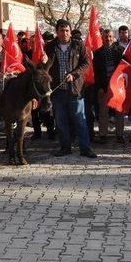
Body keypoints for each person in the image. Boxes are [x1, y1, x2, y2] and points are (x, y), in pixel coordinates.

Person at [44, 19, 97, 158]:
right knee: (61, 121)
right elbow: (44, 66)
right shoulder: (49, 47)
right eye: (62, 30)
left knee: (80, 120)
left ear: (70, 31)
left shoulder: (79, 45)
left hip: (75, 90)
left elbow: (86, 64)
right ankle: (65, 147)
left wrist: (74, 75)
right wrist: (43, 61)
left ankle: (85, 148)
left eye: (67, 30)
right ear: (57, 32)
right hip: (57, 90)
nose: (65, 33)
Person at [93, 29, 125, 143]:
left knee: (119, 112)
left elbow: (125, 69)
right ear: (102, 38)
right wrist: (99, 88)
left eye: (110, 37)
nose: (108, 39)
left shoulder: (121, 51)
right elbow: (96, 73)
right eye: (106, 37)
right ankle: (103, 135)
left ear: (114, 37)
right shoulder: (97, 53)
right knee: (103, 112)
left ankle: (120, 135)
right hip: (104, 86)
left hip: (118, 86)